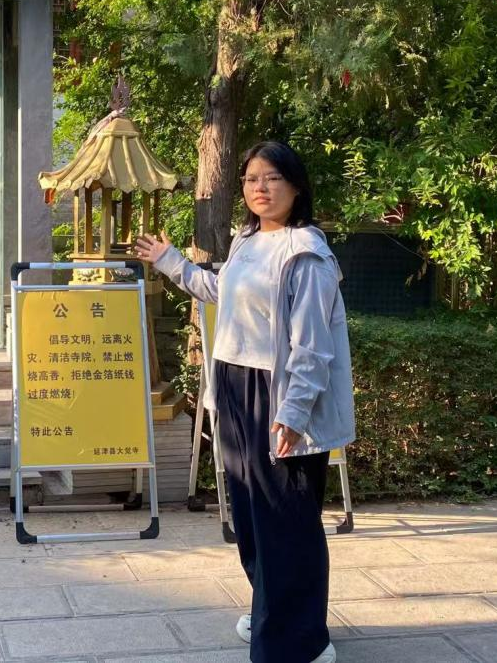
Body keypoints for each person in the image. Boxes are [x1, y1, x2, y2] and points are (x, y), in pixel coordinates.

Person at [133, 140, 355, 663]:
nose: (261, 187)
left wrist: (293, 414)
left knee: (287, 519)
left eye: (272, 178)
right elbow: (222, 292)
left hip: (277, 393)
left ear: (296, 186)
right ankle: (270, 609)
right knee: (253, 515)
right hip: (234, 385)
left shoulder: (307, 254)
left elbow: (313, 347)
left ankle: (301, 641)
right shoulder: (248, 239)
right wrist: (170, 261)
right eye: (252, 178)